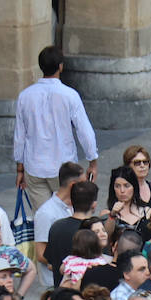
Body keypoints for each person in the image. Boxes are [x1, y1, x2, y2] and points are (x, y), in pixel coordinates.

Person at [14, 46, 99, 208]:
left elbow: (20, 135)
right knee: (68, 214)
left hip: (35, 165)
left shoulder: (25, 96)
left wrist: (20, 168)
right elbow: (85, 131)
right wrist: (92, 162)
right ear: (60, 66)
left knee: (42, 217)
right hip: (63, 166)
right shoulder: (70, 95)